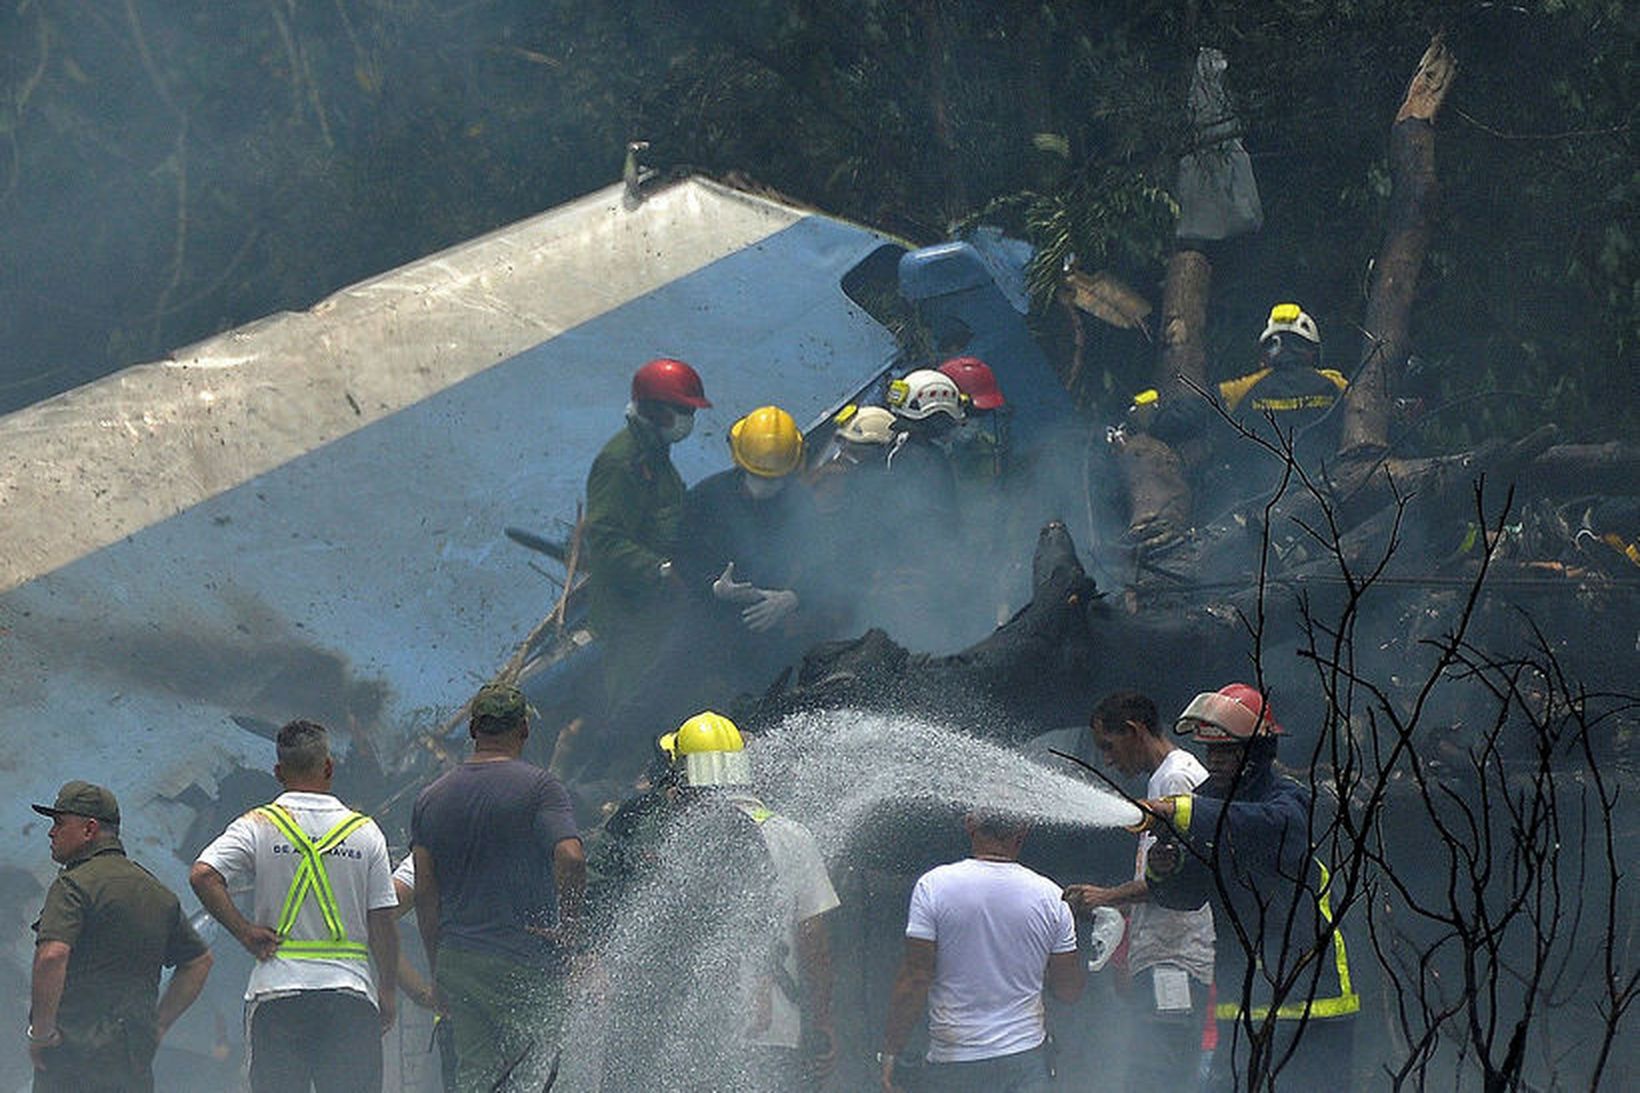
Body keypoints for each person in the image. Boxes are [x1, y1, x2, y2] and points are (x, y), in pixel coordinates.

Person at [1136, 683, 1359, 1090]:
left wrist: (1181, 810)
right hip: (1243, 1000)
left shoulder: (1288, 801)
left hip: (1312, 997)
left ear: (1256, 754)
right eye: (1212, 752)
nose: (1216, 762)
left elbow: (1266, 827)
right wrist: (1166, 869)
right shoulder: (1202, 804)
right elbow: (1187, 895)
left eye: (1227, 752)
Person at [191, 720, 399, 1093]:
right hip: (350, 995)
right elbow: (382, 920)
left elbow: (203, 875)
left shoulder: (258, 825)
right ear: (329, 768)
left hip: (277, 996)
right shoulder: (365, 832)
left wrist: (244, 931)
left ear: (277, 772)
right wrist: (387, 990)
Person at [648, 710, 840, 1089]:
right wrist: (819, 1024)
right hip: (779, 1031)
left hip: (697, 1034)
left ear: (686, 773)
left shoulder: (678, 840)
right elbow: (813, 942)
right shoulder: (793, 836)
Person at [410, 682, 585, 1093]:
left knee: (477, 1079)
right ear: (524, 729)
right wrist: (570, 927)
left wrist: (438, 966)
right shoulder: (541, 789)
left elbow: (424, 893)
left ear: (473, 729)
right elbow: (572, 858)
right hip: (524, 960)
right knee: (541, 1072)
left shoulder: (430, 798)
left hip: (460, 960)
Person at [1063, 691, 1215, 1089]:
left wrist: (1104, 897)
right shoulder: (1167, 775)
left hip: (1177, 958)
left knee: (1159, 1073)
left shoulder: (1174, 778)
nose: (1108, 760)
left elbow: (1178, 879)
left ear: (1133, 731)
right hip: (1168, 957)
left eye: (1109, 747)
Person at [879, 810, 1085, 1093]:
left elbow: (915, 978)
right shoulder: (1052, 897)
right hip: (1025, 1062)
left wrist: (891, 1050)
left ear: (969, 824)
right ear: (1023, 830)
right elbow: (1069, 991)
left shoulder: (934, 887)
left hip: (954, 1063)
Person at [28, 781, 213, 1093]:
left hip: (71, 1053)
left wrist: (42, 1033)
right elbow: (199, 962)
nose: (51, 832)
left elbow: (52, 956)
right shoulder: (156, 892)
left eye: (59, 823)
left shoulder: (73, 885)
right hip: (131, 1056)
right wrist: (159, 1024)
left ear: (89, 829)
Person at [673, 405, 842, 695]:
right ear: (740, 463)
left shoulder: (800, 505)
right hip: (704, 617)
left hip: (764, 622)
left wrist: (793, 598)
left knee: (769, 698)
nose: (764, 486)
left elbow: (825, 565)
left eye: (773, 479)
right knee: (659, 689)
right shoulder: (708, 496)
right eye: (756, 476)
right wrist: (713, 587)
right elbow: (681, 554)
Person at [582, 357, 711, 715]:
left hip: (654, 608)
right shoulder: (621, 463)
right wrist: (661, 569)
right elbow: (605, 540)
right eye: (684, 409)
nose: (690, 419)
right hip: (628, 615)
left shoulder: (655, 457)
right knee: (632, 709)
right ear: (655, 411)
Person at [937, 356, 1009, 484]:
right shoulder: (914, 458)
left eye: (983, 413)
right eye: (972, 413)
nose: (976, 422)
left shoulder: (989, 448)